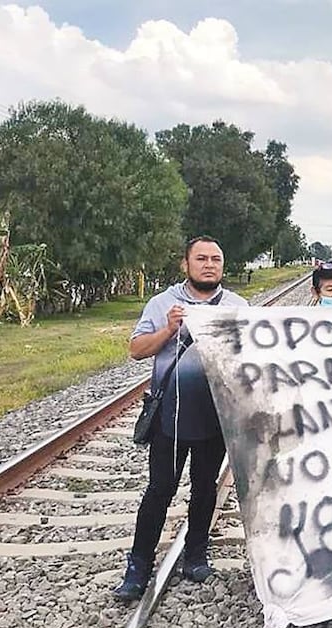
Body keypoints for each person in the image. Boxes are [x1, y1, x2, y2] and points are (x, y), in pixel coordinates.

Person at [114, 236, 249, 602]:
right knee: (160, 489)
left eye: (216, 259)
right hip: (169, 417)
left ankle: (196, 554)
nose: (209, 265)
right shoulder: (163, 303)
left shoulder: (237, 306)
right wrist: (169, 329)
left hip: (215, 416)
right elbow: (136, 350)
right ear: (185, 264)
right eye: (201, 259)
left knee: (205, 488)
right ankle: (138, 567)